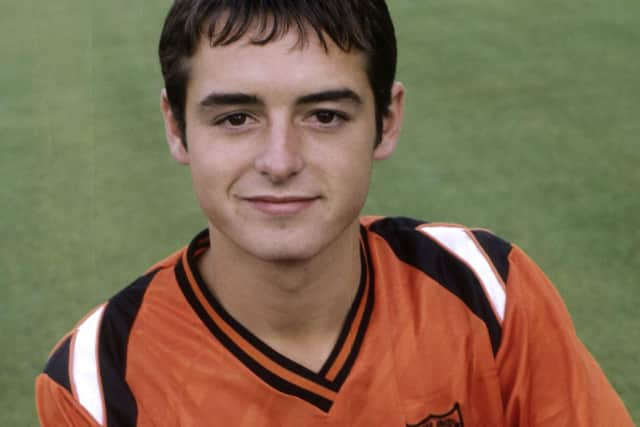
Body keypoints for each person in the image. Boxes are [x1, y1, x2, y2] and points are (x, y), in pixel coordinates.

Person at [35, 1, 633, 425]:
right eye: (235, 117)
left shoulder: (486, 290)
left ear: (386, 120)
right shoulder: (98, 381)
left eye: (324, 115)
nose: (280, 160)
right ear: (176, 127)